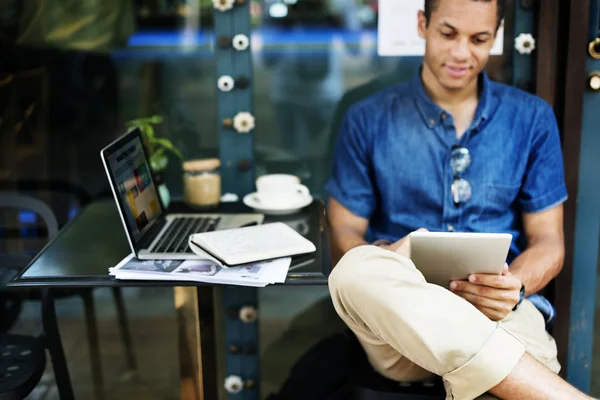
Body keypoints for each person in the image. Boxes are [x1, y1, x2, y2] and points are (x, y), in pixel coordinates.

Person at [325, 0, 595, 399]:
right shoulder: (367, 117)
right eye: (448, 34)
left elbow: (549, 242)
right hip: (401, 315)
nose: (461, 53)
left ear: (496, 38)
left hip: (498, 313)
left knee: (503, 361)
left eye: (479, 39)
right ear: (422, 25)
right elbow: (344, 228)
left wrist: (514, 285)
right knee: (352, 271)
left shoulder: (532, 118)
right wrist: (385, 255)